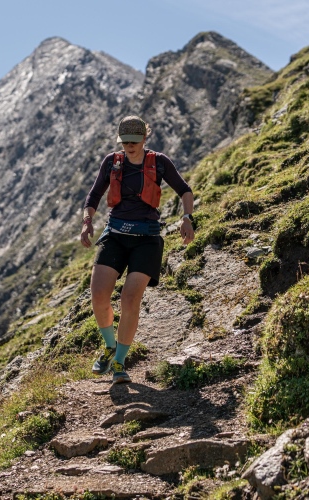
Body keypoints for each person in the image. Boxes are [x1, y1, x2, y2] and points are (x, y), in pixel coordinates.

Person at [80, 115, 195, 384]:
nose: (130, 146)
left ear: (145, 137)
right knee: (98, 295)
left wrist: (187, 217)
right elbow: (94, 195)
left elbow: (185, 190)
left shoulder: (160, 162)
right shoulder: (112, 162)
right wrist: (87, 222)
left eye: (134, 141)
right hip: (115, 235)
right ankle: (109, 346)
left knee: (130, 299)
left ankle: (119, 363)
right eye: (125, 142)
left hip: (147, 238)